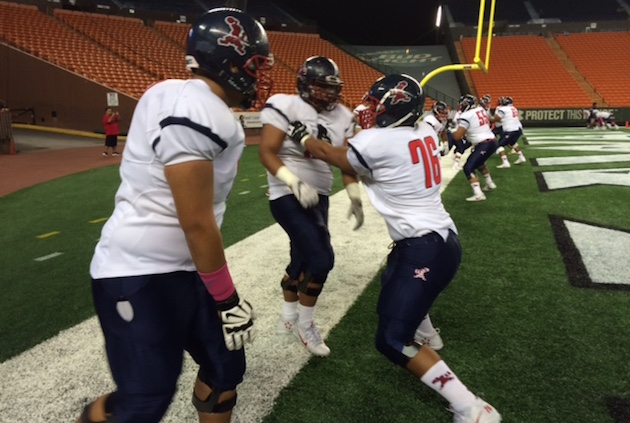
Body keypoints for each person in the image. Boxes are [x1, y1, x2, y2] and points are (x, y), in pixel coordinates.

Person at [78, 8, 273, 423]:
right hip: (139, 273)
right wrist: (227, 298)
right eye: (256, 65)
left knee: (225, 366)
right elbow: (196, 221)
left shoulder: (176, 95)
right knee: (145, 399)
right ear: (229, 61)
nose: (260, 75)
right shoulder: (199, 111)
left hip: (182, 271)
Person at [286, 73, 501, 423]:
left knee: (390, 339)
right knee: (391, 282)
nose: (369, 109)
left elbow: (335, 157)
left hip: (424, 246)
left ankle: (472, 409)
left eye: (375, 103)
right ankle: (428, 332)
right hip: (440, 241)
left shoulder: (376, 141)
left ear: (394, 106)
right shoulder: (425, 132)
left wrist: (302, 135)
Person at [258, 55, 362, 357]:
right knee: (321, 259)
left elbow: (347, 161)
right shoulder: (284, 104)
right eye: (321, 87)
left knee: (300, 260)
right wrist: (293, 181)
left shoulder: (343, 115)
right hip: (286, 192)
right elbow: (266, 152)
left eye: (332, 88)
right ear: (305, 84)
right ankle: (306, 325)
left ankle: (288, 316)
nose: (328, 94)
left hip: (321, 194)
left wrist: (353, 194)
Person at [451, 94, 498, 201]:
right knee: (479, 163)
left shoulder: (466, 116)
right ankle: (490, 183)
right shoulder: (480, 110)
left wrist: (451, 131)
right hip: (492, 141)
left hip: (484, 143)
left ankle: (478, 194)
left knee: (468, 168)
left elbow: (458, 136)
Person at [491, 96, 526, 168]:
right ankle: (521, 157)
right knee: (512, 142)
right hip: (518, 129)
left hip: (510, 130)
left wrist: (488, 118)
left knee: (498, 145)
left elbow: (496, 119)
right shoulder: (513, 108)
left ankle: (505, 162)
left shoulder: (502, 109)